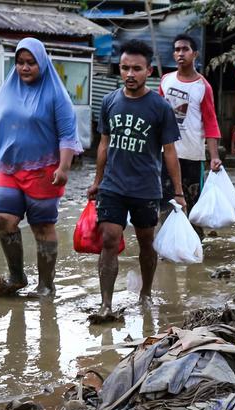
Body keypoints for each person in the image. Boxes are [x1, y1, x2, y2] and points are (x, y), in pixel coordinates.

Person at [85, 40, 183, 323]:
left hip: (145, 188)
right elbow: (103, 144)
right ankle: (106, 304)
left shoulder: (160, 108)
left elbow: (170, 152)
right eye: (125, 68)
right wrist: (97, 181)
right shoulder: (109, 101)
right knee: (109, 239)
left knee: (146, 242)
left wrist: (178, 192)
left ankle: (146, 293)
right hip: (113, 185)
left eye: (137, 69)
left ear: (148, 71)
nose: (130, 74)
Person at [0, 38, 81, 298]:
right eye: (20, 63)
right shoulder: (7, 89)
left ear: (42, 63)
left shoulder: (56, 94)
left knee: (42, 226)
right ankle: (17, 275)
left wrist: (65, 167)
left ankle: (46, 285)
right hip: (9, 167)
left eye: (31, 63)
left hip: (44, 170)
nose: (24, 68)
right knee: (3, 218)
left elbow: (68, 135)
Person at [158, 33, 222, 217]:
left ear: (195, 54)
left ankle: (195, 243)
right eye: (177, 49)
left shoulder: (203, 86)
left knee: (193, 208)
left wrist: (214, 157)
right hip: (167, 154)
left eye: (185, 49)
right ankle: (168, 244)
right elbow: (158, 115)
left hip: (193, 156)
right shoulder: (166, 81)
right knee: (167, 206)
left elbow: (211, 122)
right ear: (173, 55)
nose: (180, 53)